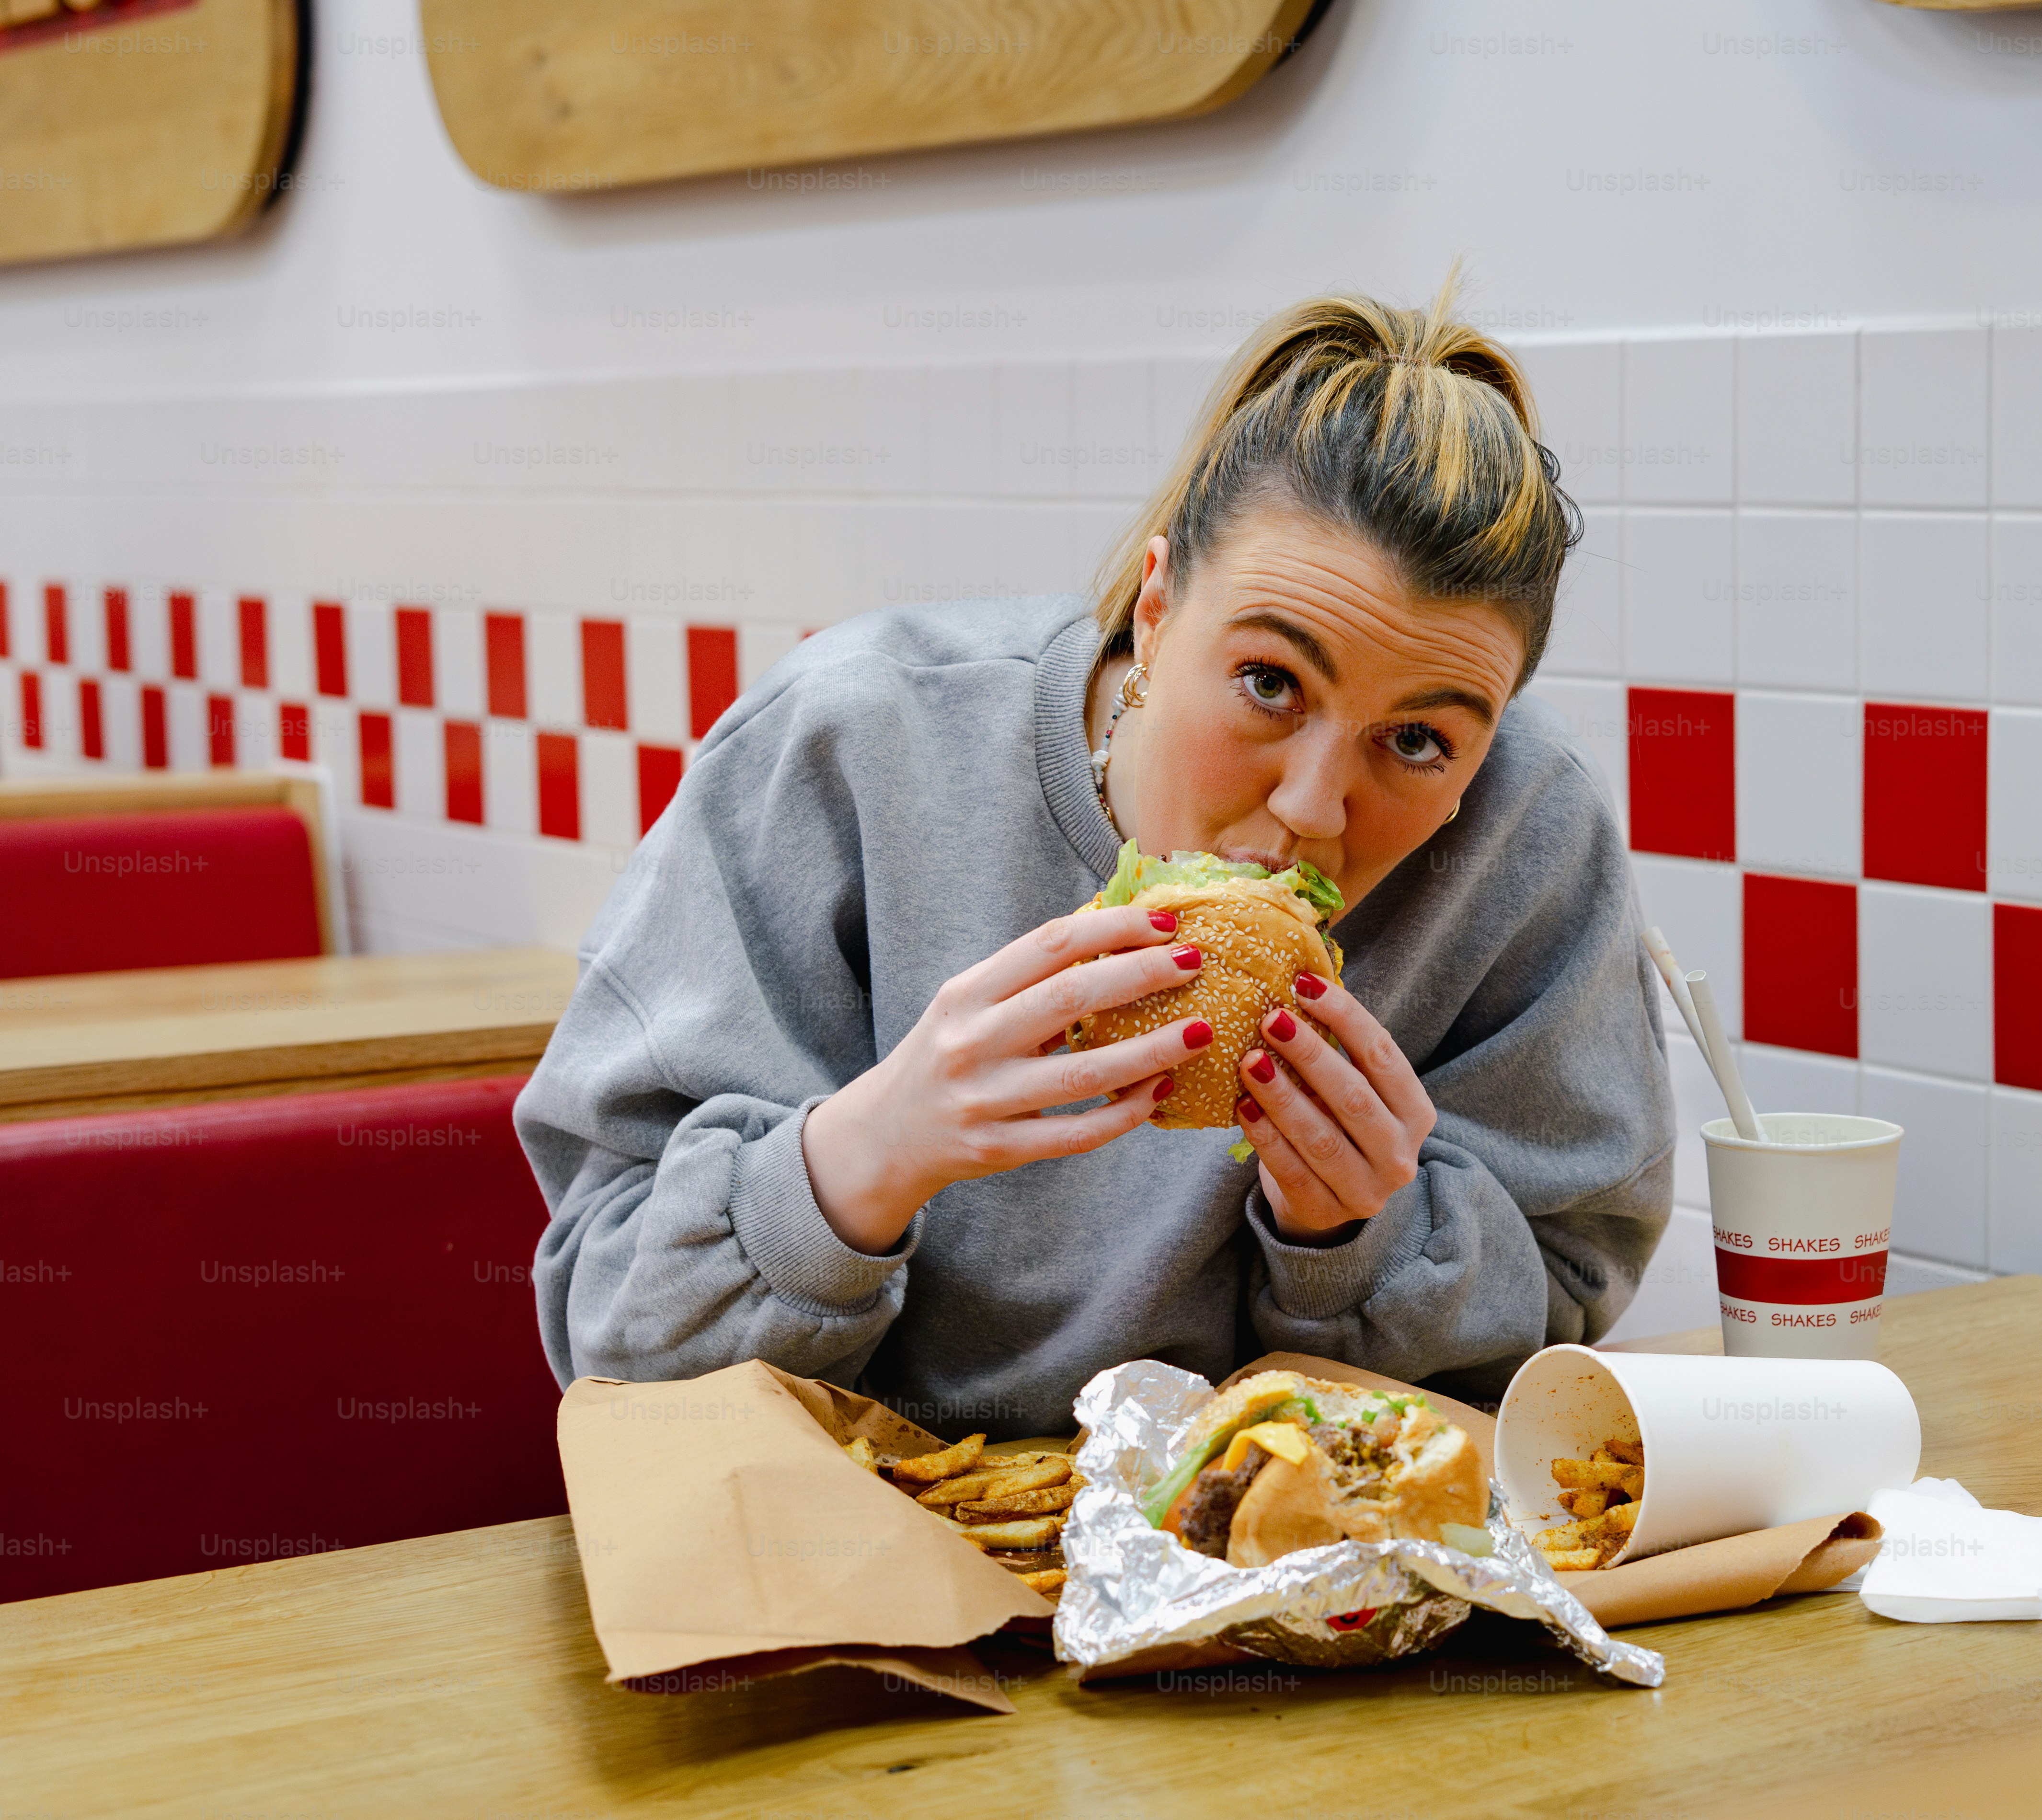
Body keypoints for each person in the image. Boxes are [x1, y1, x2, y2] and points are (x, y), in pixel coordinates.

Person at [519, 277, 1675, 1436]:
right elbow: (607, 1330)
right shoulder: (849, 742)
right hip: (843, 1552)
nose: (1315, 807)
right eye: (1269, 683)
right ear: (1159, 606)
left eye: (1418, 741)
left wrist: (1360, 1244)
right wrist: (867, 1157)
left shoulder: (1524, 829)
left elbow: (1555, 1336)